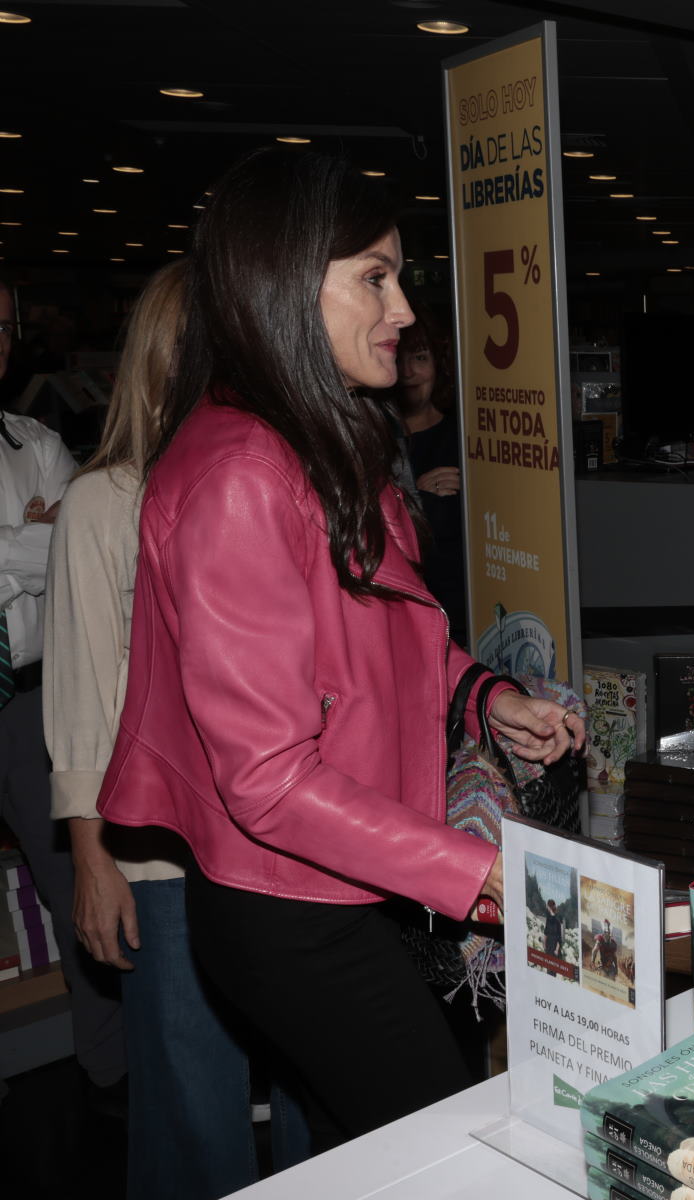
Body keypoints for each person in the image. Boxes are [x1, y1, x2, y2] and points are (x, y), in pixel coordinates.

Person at [95, 148, 585, 1151]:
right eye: (373, 276)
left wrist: (486, 696)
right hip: (296, 905)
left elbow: (395, 641)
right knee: (449, 1148)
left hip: (362, 877)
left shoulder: (320, 439)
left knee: (376, 1155)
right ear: (282, 285)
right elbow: (268, 778)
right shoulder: (240, 472)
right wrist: (470, 871)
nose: (402, 309)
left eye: (398, 275)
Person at [43, 261, 310, 1196]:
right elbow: (81, 689)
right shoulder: (102, 502)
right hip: (162, 860)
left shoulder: (275, 479)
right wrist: (89, 858)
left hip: (285, 850)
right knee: (194, 1110)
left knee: (317, 1095)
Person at [0, 274, 127, 1114]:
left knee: (75, 883)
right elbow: (49, 551)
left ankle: (111, 1075)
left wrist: (34, 538)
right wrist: (32, 536)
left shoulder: (33, 439)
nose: (1, 338)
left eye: (7, 324)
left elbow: (80, 544)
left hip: (24, 705)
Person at [378, 311, 467, 644]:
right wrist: (414, 495)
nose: (409, 372)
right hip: (399, 621)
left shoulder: (465, 437)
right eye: (398, 359)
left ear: (439, 365)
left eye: (420, 358)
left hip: (462, 616)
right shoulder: (371, 440)